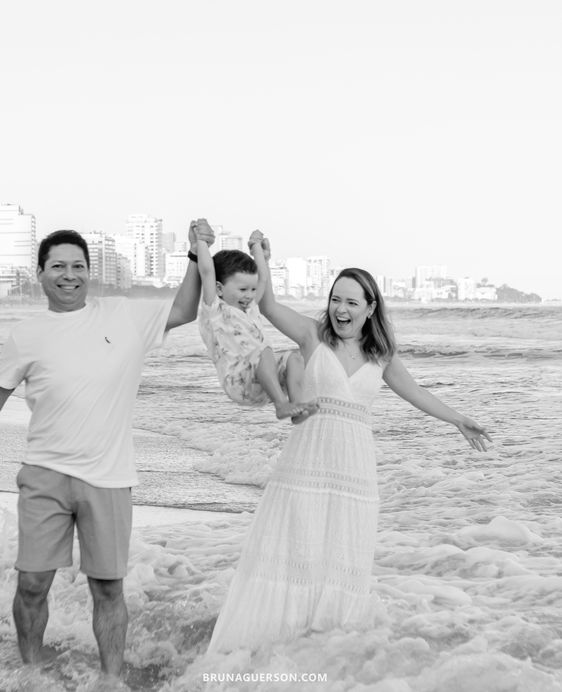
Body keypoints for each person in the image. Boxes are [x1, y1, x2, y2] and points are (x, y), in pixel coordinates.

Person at [0, 220, 214, 683]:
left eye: (78, 266)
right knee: (31, 584)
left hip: (108, 476)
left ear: (90, 272)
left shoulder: (122, 314)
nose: (70, 275)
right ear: (40, 273)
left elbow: (185, 308)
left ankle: (110, 679)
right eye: (58, 266)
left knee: (107, 587)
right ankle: (32, 671)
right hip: (44, 473)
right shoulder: (28, 333)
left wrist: (193, 254)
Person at [206, 232, 492, 653]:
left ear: (370, 308)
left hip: (354, 469)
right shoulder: (312, 336)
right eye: (335, 299)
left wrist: (457, 419)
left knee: (339, 555)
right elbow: (266, 305)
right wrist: (260, 256)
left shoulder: (382, 355)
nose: (340, 309)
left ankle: (325, 653)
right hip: (306, 461)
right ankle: (266, 647)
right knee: (294, 550)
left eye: (351, 302)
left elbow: (416, 393)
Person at [194, 237, 315, 421]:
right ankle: (281, 405)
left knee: (295, 358)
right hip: (238, 382)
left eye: (252, 289)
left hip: (263, 383)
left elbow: (263, 278)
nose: (249, 295)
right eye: (243, 289)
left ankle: (296, 408)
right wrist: (201, 241)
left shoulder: (250, 307)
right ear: (219, 289)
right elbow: (207, 270)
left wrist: (257, 248)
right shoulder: (215, 309)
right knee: (263, 351)